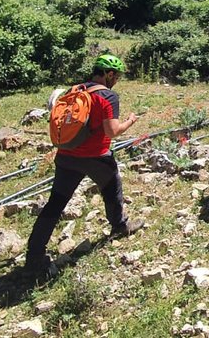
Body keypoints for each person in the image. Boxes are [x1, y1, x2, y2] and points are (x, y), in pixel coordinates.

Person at [26, 54, 142, 273]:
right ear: (108, 74)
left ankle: (34, 254)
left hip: (66, 155)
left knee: (55, 203)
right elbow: (112, 131)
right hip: (96, 157)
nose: (116, 80)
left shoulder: (74, 91)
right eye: (115, 76)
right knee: (112, 188)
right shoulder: (108, 96)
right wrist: (130, 121)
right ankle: (119, 226)